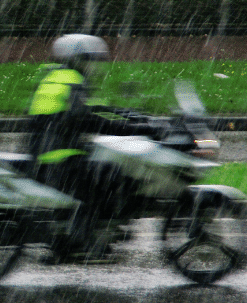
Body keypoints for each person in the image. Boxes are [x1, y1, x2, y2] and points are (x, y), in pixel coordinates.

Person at [27, 34, 162, 262]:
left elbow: (81, 113)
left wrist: (121, 113)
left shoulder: (57, 76)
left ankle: (77, 236)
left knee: (102, 169)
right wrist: (134, 129)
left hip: (48, 151)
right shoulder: (71, 79)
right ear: (77, 60)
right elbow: (86, 121)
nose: (92, 67)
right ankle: (82, 240)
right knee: (106, 177)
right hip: (58, 155)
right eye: (89, 61)